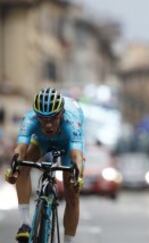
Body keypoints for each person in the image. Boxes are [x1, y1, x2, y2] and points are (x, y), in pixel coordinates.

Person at [5, 88, 85, 243]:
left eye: (53, 119)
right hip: (42, 140)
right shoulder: (30, 119)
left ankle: (68, 240)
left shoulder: (72, 121)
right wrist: (13, 167)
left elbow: (77, 156)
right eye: (43, 119)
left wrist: (78, 175)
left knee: (72, 192)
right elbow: (20, 149)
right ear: (37, 116)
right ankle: (25, 224)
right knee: (22, 166)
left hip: (68, 143)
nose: (48, 124)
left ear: (61, 114)